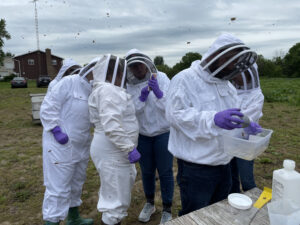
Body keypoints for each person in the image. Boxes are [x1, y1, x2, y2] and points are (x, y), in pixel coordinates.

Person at [165, 33, 261, 216]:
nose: (235, 67)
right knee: (195, 215)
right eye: (232, 61)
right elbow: (174, 116)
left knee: (218, 212)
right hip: (196, 168)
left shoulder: (227, 85)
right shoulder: (185, 79)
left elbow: (234, 114)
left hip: (225, 163)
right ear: (219, 56)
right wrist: (212, 119)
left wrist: (247, 124)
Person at [40, 57, 99, 225]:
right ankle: (51, 221)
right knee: (58, 188)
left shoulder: (93, 89)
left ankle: (73, 218)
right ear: (90, 69)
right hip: (60, 146)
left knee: (76, 183)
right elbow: (48, 106)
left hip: (81, 145)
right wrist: (56, 129)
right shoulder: (69, 82)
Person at [88, 54, 141, 225]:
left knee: (115, 190)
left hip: (113, 148)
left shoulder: (105, 89)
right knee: (115, 199)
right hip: (113, 150)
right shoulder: (108, 90)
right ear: (115, 73)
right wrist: (129, 147)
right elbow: (111, 124)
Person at [125, 49, 174, 224]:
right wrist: (142, 98)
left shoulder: (161, 78)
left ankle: (167, 209)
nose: (137, 69)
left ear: (146, 64)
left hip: (163, 133)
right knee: (146, 172)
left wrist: (160, 94)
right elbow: (131, 112)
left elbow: (171, 108)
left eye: (139, 65)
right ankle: (150, 204)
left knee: (166, 172)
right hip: (143, 135)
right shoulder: (129, 86)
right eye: (133, 67)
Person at [230, 63, 264, 193]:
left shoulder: (257, 95)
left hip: (246, 142)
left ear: (249, 74)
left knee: (246, 178)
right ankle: (233, 199)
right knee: (231, 176)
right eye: (236, 73)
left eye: (240, 73)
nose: (237, 77)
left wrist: (232, 117)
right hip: (230, 139)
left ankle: (253, 201)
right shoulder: (232, 92)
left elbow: (246, 117)